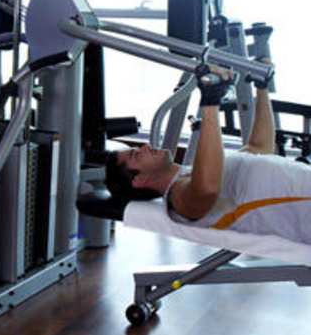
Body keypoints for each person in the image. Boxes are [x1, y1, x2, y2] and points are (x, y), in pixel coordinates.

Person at [104, 64, 311, 243]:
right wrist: (210, 101)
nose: (144, 147)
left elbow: (259, 148)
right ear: (139, 180)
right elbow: (207, 189)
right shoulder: (179, 199)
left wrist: (262, 88)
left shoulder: (194, 172)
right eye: (136, 155)